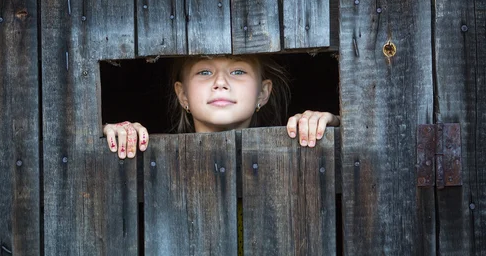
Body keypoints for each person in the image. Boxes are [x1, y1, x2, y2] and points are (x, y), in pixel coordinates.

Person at [103, 55, 340, 159]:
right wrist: (111, 134)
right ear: (182, 94)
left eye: (238, 71)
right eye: (204, 72)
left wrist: (332, 125)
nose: (220, 83)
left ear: (263, 92)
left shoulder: (296, 143)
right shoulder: (153, 160)